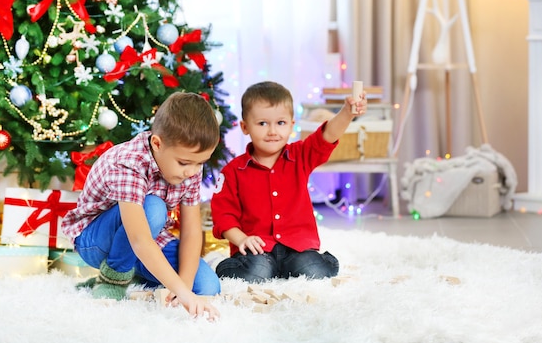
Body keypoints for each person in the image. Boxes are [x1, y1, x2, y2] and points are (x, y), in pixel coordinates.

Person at [61, 92, 221, 320]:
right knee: (154, 207)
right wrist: (182, 292)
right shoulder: (129, 162)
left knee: (207, 287)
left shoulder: (191, 164)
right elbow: (139, 239)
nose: (192, 172)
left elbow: (192, 231)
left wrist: (184, 287)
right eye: (185, 163)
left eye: (200, 163)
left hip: (150, 236)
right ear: (157, 143)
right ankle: (113, 278)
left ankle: (133, 274)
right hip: (95, 240)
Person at [210, 81, 367, 283]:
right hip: (258, 251)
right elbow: (224, 216)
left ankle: (312, 263)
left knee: (313, 270)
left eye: (280, 123)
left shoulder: (300, 155)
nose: (273, 131)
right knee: (256, 272)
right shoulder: (232, 171)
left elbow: (326, 136)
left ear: (292, 125)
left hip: (298, 248)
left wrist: (347, 112)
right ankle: (235, 266)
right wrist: (242, 239)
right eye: (262, 124)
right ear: (245, 127)